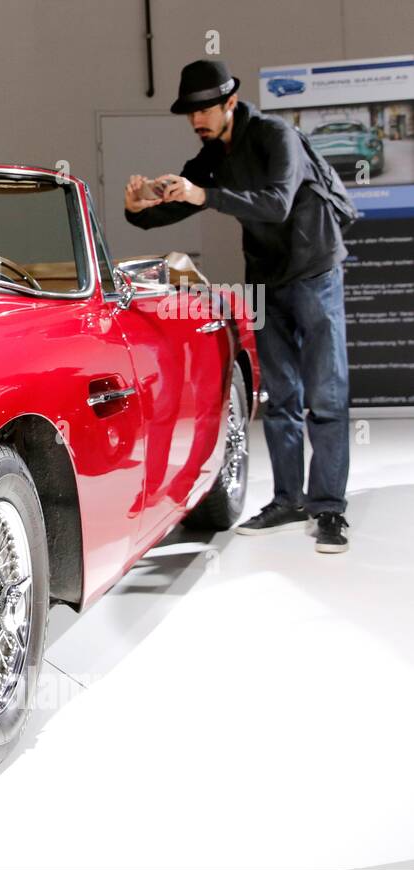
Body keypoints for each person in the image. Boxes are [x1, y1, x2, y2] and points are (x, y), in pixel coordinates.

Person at [124, 59, 354, 554]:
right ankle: (290, 499)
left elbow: (276, 204)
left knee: (327, 395)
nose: (197, 120)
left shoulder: (277, 137)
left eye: (205, 109)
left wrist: (203, 193)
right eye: (190, 112)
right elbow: (180, 204)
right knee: (282, 396)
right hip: (267, 278)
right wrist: (139, 208)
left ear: (230, 103)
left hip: (315, 270)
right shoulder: (211, 154)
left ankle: (329, 508)